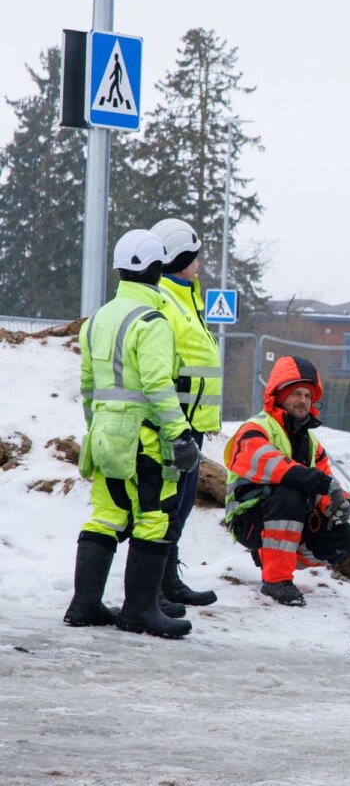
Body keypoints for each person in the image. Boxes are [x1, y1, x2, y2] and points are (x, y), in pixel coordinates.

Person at [64, 229, 200, 639]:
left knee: (106, 515)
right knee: (155, 517)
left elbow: (88, 385)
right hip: (144, 437)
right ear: (157, 269)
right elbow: (159, 385)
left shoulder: (99, 318)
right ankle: (140, 611)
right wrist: (180, 434)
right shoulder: (151, 321)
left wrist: (96, 425)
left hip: (106, 434)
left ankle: (84, 603)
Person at [223, 356, 350, 607]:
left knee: (346, 539)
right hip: (249, 520)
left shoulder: (312, 442)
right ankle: (276, 580)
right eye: (296, 393)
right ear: (278, 395)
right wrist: (314, 481)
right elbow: (265, 461)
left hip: (289, 519)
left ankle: (275, 556)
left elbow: (325, 479)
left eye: (308, 396)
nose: (303, 401)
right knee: (290, 493)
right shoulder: (256, 427)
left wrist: (337, 503)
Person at [151, 218, 221, 608]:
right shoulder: (166, 297)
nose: (199, 263)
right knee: (168, 505)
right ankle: (156, 588)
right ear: (182, 257)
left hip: (193, 421)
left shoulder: (186, 295)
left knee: (180, 502)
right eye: (195, 256)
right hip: (175, 421)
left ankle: (168, 579)